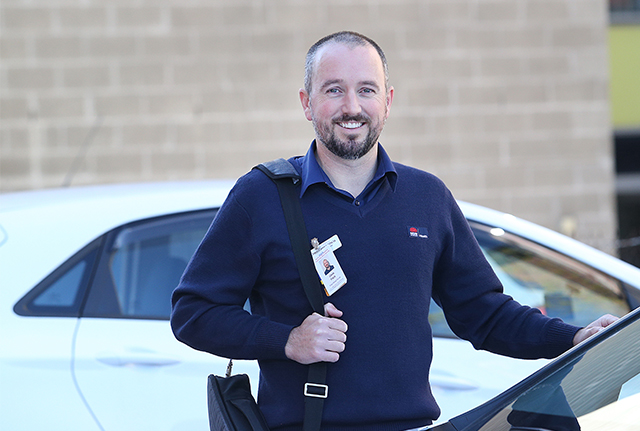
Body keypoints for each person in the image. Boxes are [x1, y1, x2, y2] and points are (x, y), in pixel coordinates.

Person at [171, 31, 617, 431]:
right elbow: (194, 312)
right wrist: (286, 340)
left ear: (387, 101)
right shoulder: (261, 196)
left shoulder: (427, 196)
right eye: (334, 91)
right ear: (307, 103)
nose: (352, 107)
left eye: (366, 90)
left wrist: (571, 337)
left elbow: (483, 313)